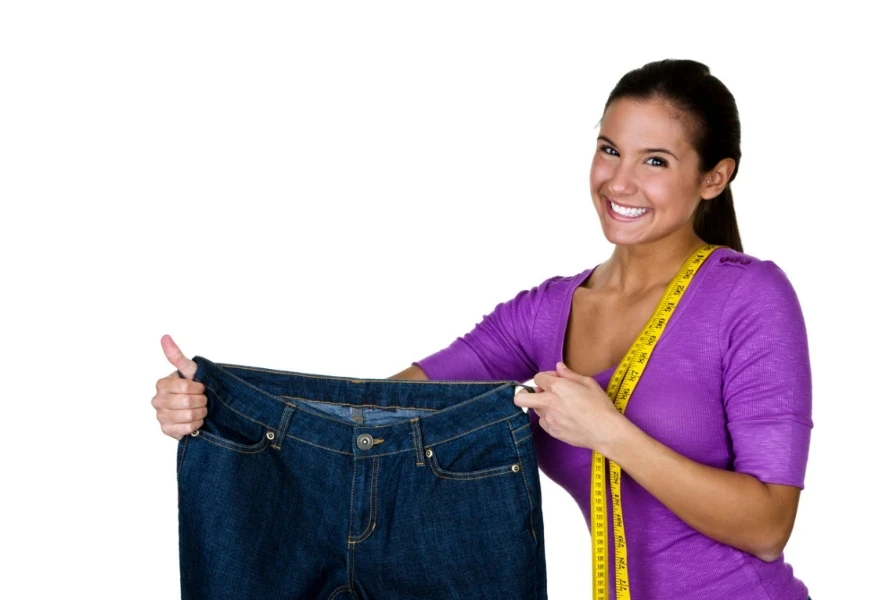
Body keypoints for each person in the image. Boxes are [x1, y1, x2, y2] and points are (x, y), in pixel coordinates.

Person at [152, 59, 812, 599]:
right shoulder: (545, 313)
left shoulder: (749, 295)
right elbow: (376, 419)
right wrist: (220, 410)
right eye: (610, 149)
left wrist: (608, 432)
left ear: (715, 177)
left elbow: (766, 527)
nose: (620, 180)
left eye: (656, 161)